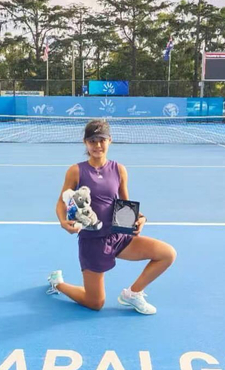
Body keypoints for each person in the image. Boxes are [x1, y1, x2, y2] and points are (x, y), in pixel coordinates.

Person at [47, 119, 176, 315]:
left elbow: (125, 204)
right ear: (85, 143)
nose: (97, 145)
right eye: (92, 141)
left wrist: (141, 219)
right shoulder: (76, 171)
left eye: (102, 140)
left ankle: (132, 294)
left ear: (110, 141)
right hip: (92, 242)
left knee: (167, 254)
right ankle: (58, 283)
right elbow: (61, 202)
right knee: (95, 303)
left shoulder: (119, 169)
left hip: (119, 237)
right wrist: (63, 222)